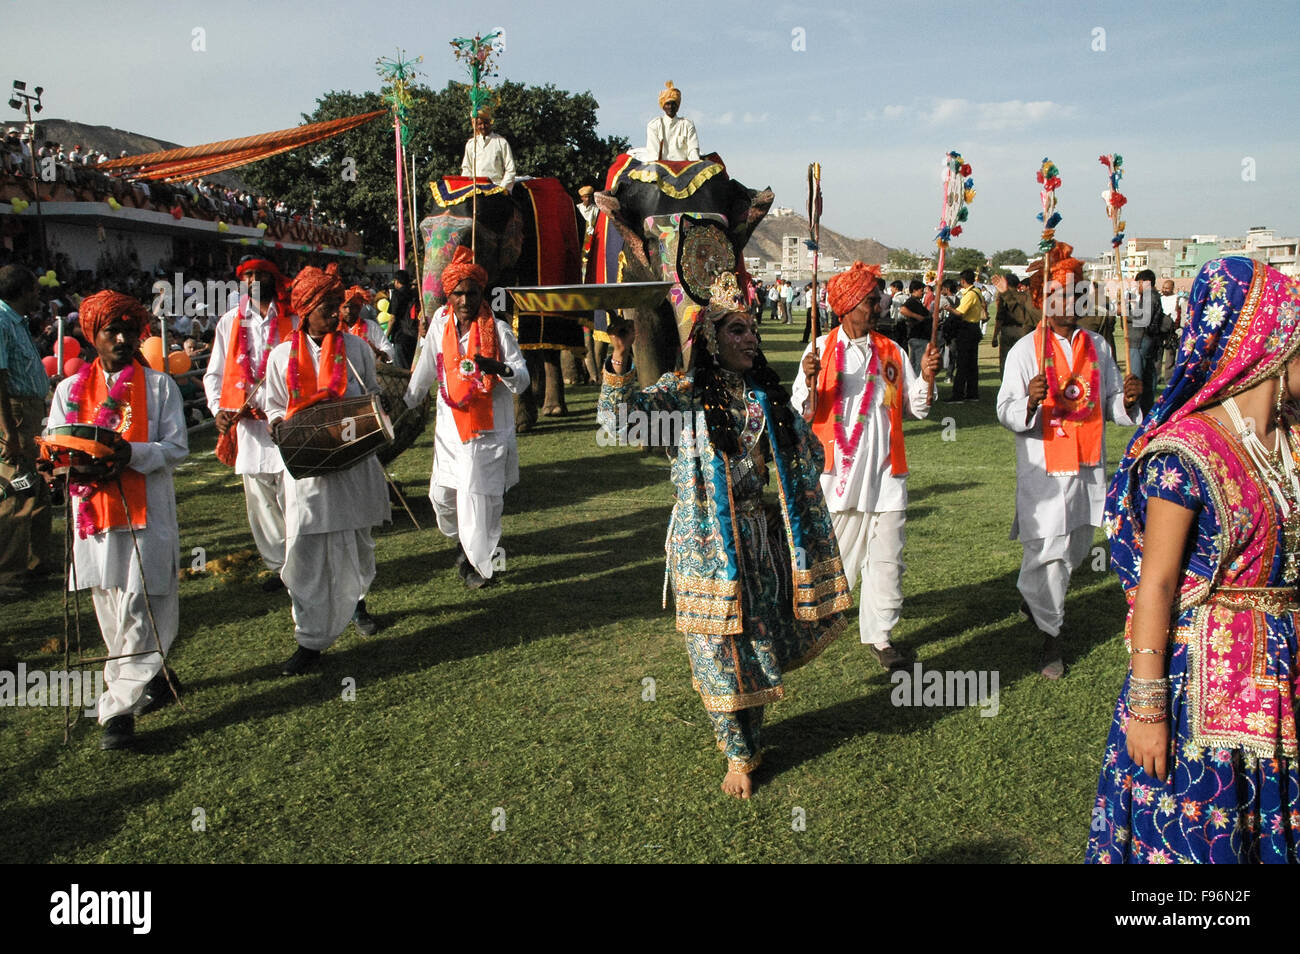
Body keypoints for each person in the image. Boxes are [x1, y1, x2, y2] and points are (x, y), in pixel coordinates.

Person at [599, 271, 850, 799]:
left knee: (754, 642)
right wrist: (620, 358)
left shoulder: (764, 396)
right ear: (711, 339)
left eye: (752, 328)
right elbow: (621, 424)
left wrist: (792, 446)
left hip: (759, 539)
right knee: (714, 647)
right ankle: (737, 753)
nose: (750, 338)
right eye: (737, 329)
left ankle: (749, 739)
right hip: (704, 544)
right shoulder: (683, 396)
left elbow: (814, 453)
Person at [1087, 257, 1300, 864]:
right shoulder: (1185, 453)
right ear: (1271, 347)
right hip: (1200, 693)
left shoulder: (1290, 437)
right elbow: (1155, 584)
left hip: (1282, 678)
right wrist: (1148, 707)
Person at [47, 291, 188, 749]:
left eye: (131, 330)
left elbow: (177, 448)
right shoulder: (68, 390)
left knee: (141, 604)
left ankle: (119, 710)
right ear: (93, 336)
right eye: (114, 331)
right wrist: (69, 465)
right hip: (94, 515)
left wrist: (133, 453)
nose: (125, 339)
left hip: (147, 509)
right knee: (110, 606)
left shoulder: (159, 386)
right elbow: (56, 449)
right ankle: (149, 679)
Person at [996, 244, 1142, 679]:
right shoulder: (1025, 351)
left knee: (1076, 546)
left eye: (1078, 295)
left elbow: (1113, 402)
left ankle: (1034, 595)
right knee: (1051, 551)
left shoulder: (1097, 345)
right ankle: (1051, 639)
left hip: (1088, 465)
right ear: (1042, 300)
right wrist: (1029, 401)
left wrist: (1129, 399)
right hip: (1044, 468)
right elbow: (1005, 409)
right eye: (1061, 295)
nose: (1072, 304)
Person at [792, 262, 940, 670]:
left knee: (889, 559)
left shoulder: (891, 350)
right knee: (834, 558)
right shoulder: (818, 351)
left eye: (876, 300)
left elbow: (919, 409)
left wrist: (927, 378)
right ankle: (809, 621)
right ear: (847, 307)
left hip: (887, 475)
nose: (877, 307)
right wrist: (808, 382)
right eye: (870, 301)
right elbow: (799, 413)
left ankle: (882, 636)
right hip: (838, 478)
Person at [263, 265, 391, 675]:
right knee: (305, 554)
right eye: (326, 307)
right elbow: (273, 407)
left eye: (337, 305)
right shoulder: (282, 356)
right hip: (308, 473)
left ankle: (358, 607)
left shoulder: (355, 350)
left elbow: (372, 393)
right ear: (304, 310)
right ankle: (310, 640)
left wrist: (376, 409)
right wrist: (280, 423)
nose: (336, 313)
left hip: (353, 468)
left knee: (357, 546)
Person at [404, 248, 530, 589]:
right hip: (448, 431)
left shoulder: (499, 331)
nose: (464, 300)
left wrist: (498, 368)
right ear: (449, 294)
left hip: (486, 431)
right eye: (458, 293)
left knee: (479, 500)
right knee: (443, 498)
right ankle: (464, 543)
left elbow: (522, 378)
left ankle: (479, 564)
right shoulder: (439, 326)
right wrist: (405, 403)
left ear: (481, 294)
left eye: (471, 293)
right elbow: (425, 370)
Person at [203, 256, 297, 591]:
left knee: (294, 495)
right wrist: (217, 409)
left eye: (260, 274)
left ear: (274, 277)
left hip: (288, 422)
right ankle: (280, 567)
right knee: (261, 502)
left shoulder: (294, 319)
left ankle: (300, 562)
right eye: (247, 275)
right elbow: (214, 373)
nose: (254, 280)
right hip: (249, 426)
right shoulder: (229, 322)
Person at [0, 265, 53, 598]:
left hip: (28, 412)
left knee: (36, 483)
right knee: (15, 488)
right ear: (21, 291)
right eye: (34, 289)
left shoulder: (15, 321)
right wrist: (9, 431)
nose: (38, 294)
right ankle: (7, 574)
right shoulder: (2, 321)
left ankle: (36, 562)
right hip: (14, 415)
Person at [1126, 268, 1165, 416]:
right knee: (1148, 375)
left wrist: (1125, 313)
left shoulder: (1150, 296)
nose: (1138, 286)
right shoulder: (1151, 296)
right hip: (1145, 340)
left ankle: (1136, 408)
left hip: (1141, 340)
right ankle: (1146, 407)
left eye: (1139, 283)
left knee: (1138, 375)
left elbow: (1143, 318)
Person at [944, 269, 986, 403]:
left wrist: (949, 309)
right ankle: (972, 393)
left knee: (962, 363)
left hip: (967, 329)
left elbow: (960, 313)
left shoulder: (969, 295)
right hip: (974, 328)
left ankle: (958, 394)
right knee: (972, 364)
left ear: (963, 281)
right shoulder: (977, 292)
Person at [460, 108, 516, 193]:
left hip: (497, 189)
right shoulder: (471, 144)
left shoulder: (501, 142)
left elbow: (510, 170)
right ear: (476, 125)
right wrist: (468, 188)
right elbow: (466, 169)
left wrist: (501, 188)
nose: (483, 126)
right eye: (480, 124)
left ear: (490, 123)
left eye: (485, 123)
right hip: (476, 191)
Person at [990, 272, 1034, 377]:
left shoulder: (1003, 296)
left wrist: (995, 335)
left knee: (1005, 361)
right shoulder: (1025, 296)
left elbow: (999, 317)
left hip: (1008, 331)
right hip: (1024, 331)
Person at [645, 81, 700, 162]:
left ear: (677, 106)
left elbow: (693, 149)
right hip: (661, 168)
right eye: (667, 104)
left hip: (684, 168)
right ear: (663, 107)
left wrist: (696, 166)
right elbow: (653, 153)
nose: (670, 107)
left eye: (673, 104)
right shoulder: (654, 125)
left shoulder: (687, 124)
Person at [340, 285, 395, 364]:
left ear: (359, 308)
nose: (348, 311)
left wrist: (381, 354)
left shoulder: (371, 326)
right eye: (345, 307)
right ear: (340, 309)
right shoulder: (334, 329)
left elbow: (387, 347)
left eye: (352, 307)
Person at [385, 269, 419, 369]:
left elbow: (393, 318)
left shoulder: (397, 294)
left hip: (400, 335)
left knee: (400, 369)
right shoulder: (414, 293)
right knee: (410, 366)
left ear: (396, 281)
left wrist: (387, 335)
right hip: (413, 333)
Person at [901, 281, 932, 375]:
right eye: (921, 291)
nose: (923, 293)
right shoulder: (912, 301)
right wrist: (918, 317)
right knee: (918, 364)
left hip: (919, 336)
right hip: (918, 336)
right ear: (915, 290)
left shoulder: (917, 302)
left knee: (915, 363)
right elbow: (903, 310)